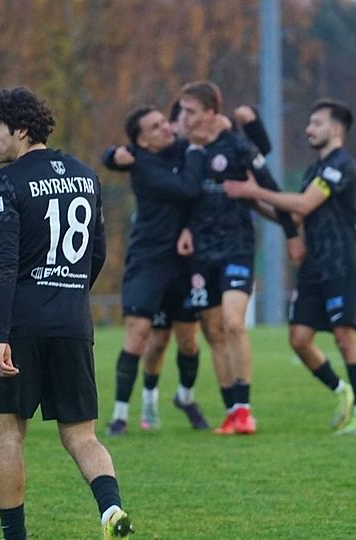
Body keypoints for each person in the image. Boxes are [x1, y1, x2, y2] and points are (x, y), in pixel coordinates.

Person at [0, 87, 132, 539]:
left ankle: (15, 536)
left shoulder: (5, 182)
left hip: (22, 324)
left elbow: (4, 263)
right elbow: (97, 252)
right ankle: (111, 510)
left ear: (21, 130)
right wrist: (68, 295)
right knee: (81, 435)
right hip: (72, 323)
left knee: (7, 432)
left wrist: (1, 333)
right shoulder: (86, 174)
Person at [223, 98, 356, 435]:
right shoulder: (314, 170)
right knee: (299, 338)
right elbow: (293, 214)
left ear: (336, 129)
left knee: (344, 338)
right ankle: (342, 391)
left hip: (340, 264)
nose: (309, 129)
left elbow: (304, 203)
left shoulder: (340, 166)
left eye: (317, 123)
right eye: (309, 122)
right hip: (312, 266)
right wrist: (254, 201)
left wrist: (256, 189)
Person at [177, 80, 300, 435]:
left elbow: (272, 190)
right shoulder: (187, 149)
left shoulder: (237, 146)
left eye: (190, 112)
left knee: (233, 322)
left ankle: (245, 410)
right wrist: (185, 229)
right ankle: (231, 411)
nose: (183, 119)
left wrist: (292, 236)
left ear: (212, 112)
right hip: (200, 251)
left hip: (237, 246)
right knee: (214, 331)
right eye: (182, 111)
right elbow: (183, 197)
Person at [100, 105, 212, 435]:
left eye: (165, 121)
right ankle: (120, 415)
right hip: (148, 261)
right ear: (142, 142)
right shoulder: (144, 165)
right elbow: (189, 188)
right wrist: (111, 155)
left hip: (185, 263)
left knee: (188, 342)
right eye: (155, 127)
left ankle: (186, 398)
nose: (165, 128)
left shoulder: (179, 147)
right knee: (139, 336)